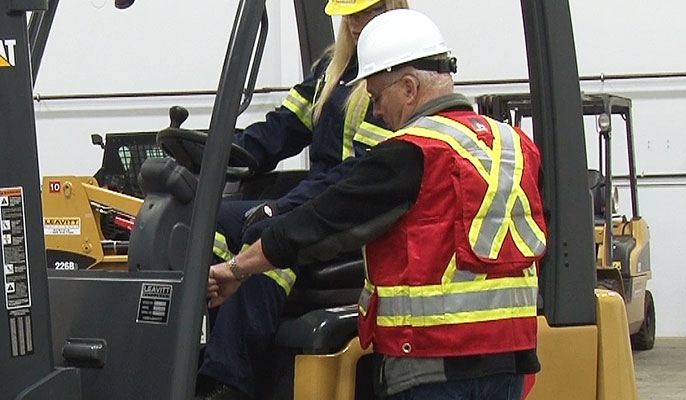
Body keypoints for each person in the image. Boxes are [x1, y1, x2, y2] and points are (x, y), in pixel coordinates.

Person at [207, 9, 547, 400]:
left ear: (407, 88)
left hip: (432, 363)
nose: (378, 111)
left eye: (377, 98)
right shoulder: (515, 147)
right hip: (512, 363)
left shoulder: (411, 153)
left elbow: (320, 224)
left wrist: (238, 268)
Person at [196, 1, 408, 399]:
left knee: (269, 233)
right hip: (318, 197)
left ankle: (228, 381)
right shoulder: (334, 71)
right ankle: (199, 353)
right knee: (210, 219)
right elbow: (282, 128)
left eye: (367, 12)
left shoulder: (393, 85)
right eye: (352, 14)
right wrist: (215, 156)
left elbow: (358, 180)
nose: (357, 23)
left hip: (355, 214)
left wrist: (282, 208)